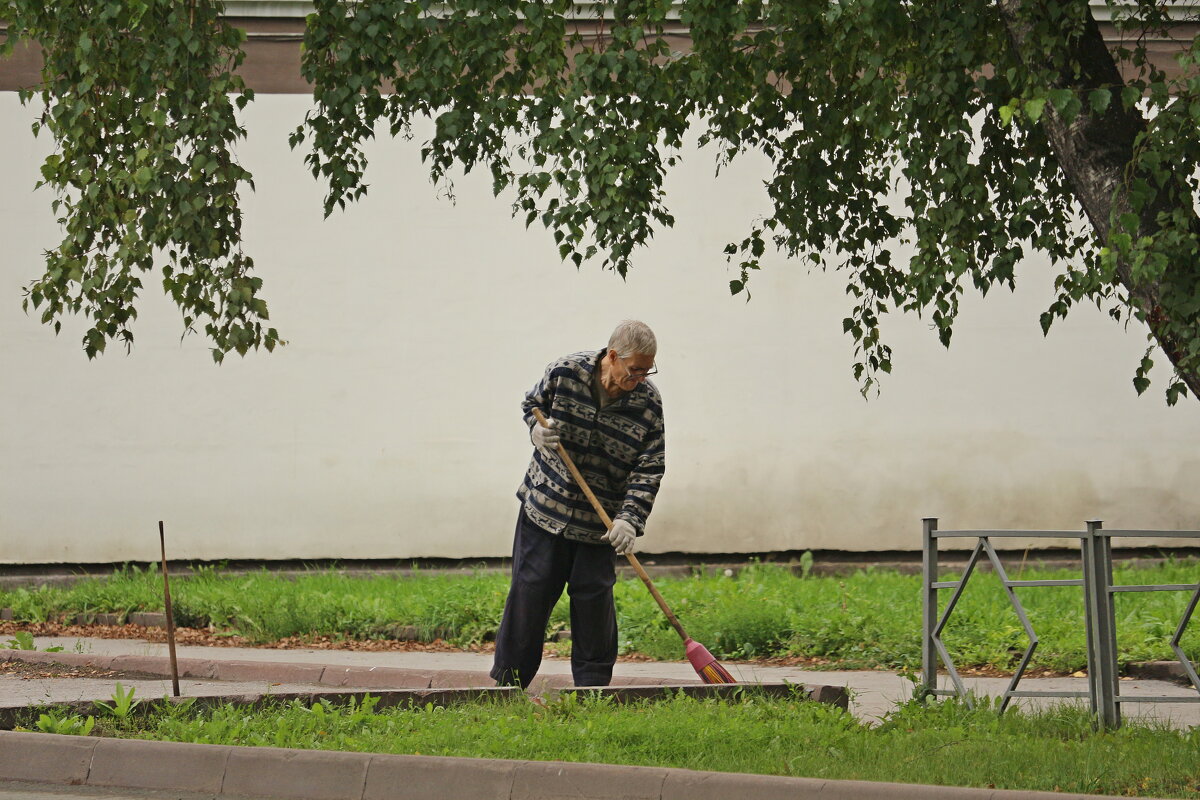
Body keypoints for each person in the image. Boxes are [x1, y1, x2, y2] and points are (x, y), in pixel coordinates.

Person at [490, 320, 666, 689]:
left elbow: (649, 467)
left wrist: (629, 520)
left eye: (647, 371)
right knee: (530, 592)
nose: (640, 378)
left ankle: (592, 686)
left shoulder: (647, 403)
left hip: (599, 525)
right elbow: (531, 404)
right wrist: (536, 432)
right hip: (545, 506)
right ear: (613, 356)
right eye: (634, 370)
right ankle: (508, 684)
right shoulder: (566, 371)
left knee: (593, 600)